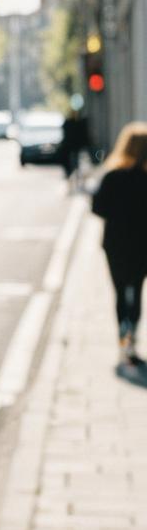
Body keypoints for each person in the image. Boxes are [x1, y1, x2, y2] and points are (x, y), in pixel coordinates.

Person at [90, 121, 147, 367]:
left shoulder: (112, 176)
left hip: (115, 244)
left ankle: (123, 341)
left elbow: (97, 208)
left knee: (120, 293)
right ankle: (131, 338)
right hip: (142, 244)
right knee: (137, 290)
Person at [60, 107, 92, 193]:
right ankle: (74, 184)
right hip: (72, 148)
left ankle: (76, 184)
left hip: (74, 148)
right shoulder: (75, 123)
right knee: (73, 166)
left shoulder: (74, 123)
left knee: (76, 166)